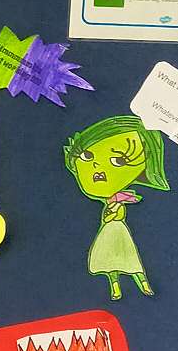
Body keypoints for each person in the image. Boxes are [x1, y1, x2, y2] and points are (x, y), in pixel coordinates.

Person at [63, 115, 169, 299]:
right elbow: (108, 216)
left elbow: (115, 215)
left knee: (129, 260)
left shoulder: (120, 201)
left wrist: (113, 209)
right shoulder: (113, 200)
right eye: (87, 155)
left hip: (118, 232)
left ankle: (143, 285)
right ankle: (116, 288)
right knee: (110, 263)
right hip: (108, 233)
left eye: (119, 161)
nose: (97, 165)